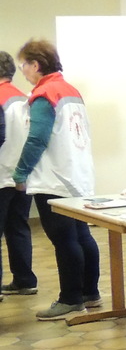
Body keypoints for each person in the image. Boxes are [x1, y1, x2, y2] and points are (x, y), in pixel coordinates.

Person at [13, 39, 99, 321]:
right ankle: (90, 293)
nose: (23, 71)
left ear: (36, 65)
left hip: (55, 178)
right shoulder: (70, 90)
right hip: (77, 174)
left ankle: (71, 299)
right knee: (82, 235)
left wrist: (21, 173)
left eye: (24, 65)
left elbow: (37, 139)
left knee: (64, 239)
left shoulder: (44, 94)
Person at [0, 51, 38, 298]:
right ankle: (25, 280)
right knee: (18, 227)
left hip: (1, 174)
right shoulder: (24, 98)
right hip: (22, 175)